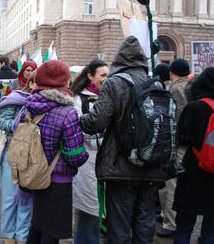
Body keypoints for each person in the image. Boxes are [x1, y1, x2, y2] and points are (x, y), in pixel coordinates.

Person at [81, 36, 168, 243]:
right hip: (152, 164)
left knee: (119, 225)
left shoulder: (115, 83)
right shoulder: (156, 83)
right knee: (145, 223)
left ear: (119, 59)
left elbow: (96, 122)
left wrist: (80, 118)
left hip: (121, 165)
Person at [14, 60, 88, 243]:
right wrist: (86, 155)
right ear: (64, 82)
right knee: (51, 233)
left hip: (34, 176)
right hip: (58, 182)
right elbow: (74, 155)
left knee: (37, 226)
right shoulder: (68, 112)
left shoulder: (28, 106)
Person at [173, 67, 214, 243]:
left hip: (193, 171)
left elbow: (182, 136)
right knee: (211, 230)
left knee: (184, 226)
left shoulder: (195, 107)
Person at [70, 59, 109, 244]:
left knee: (96, 209)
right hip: (87, 162)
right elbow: (77, 130)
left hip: (106, 163)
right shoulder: (79, 99)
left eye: (108, 75)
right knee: (89, 209)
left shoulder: (108, 97)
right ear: (90, 76)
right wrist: (100, 129)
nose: (106, 78)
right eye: (103, 75)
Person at [0, 70, 36, 244]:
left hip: (33, 157)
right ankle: (8, 236)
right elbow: (2, 123)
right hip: (12, 153)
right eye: (34, 82)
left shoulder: (45, 102)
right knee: (10, 198)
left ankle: (22, 237)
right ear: (30, 82)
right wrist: (21, 123)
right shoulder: (16, 98)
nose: (37, 86)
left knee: (27, 199)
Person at [157, 58, 192, 238]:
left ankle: (170, 223)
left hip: (178, 144)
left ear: (172, 72)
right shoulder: (194, 85)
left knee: (171, 184)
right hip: (194, 145)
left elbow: (174, 119)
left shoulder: (176, 89)